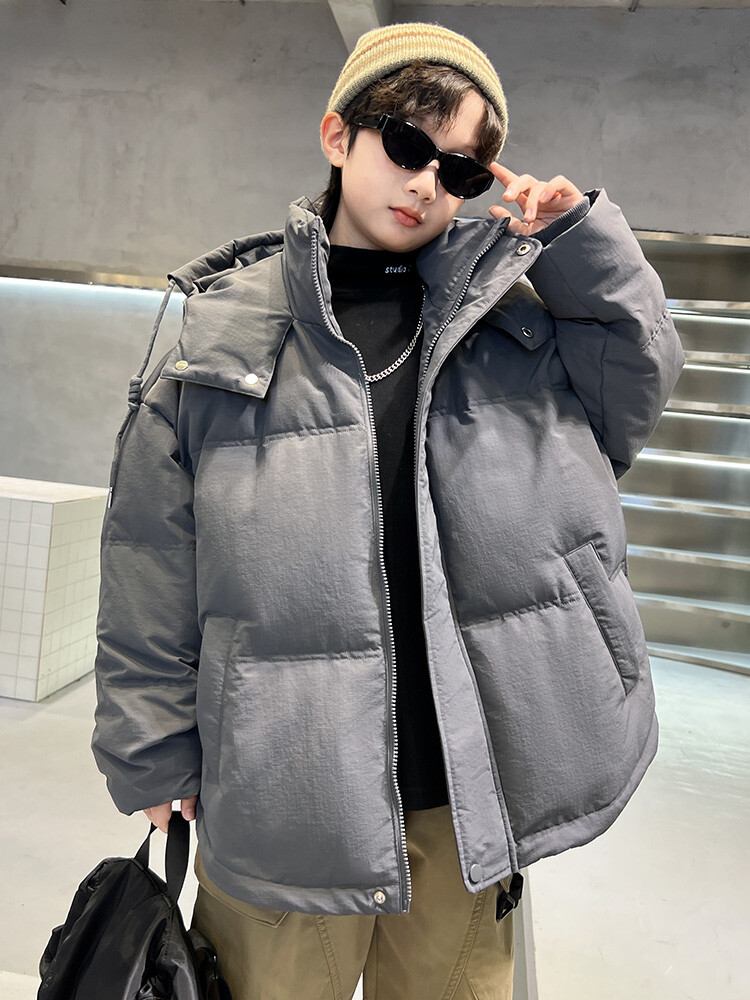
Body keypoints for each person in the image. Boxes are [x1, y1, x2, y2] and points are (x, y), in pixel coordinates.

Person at [91, 21, 684, 1000]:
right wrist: (150, 743)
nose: (426, 183)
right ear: (338, 136)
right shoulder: (222, 337)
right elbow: (150, 557)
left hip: (466, 789)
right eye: (407, 145)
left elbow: (634, 394)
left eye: (460, 170)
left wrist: (578, 248)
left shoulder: (512, 324)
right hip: (285, 793)